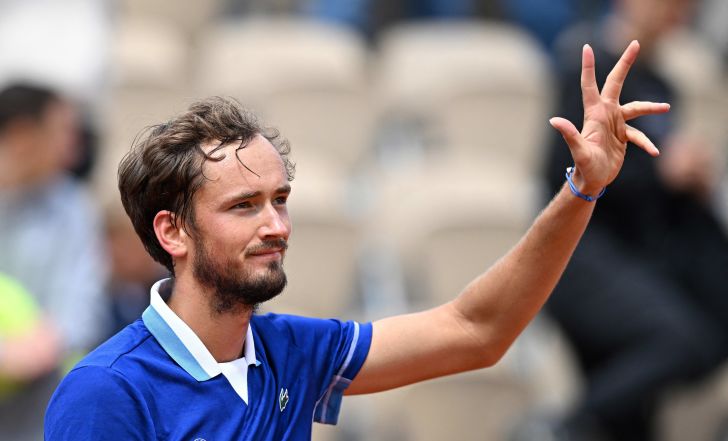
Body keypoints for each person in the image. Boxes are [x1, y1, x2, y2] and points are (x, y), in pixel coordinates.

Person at [44, 41, 668, 440]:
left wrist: (582, 189)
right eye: (244, 206)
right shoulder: (105, 391)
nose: (276, 226)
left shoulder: (291, 351)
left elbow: (479, 330)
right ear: (172, 231)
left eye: (280, 200)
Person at [542, 0, 728, 440]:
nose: (675, 14)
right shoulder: (583, 68)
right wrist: (659, 174)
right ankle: (560, 427)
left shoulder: (663, 84)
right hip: (583, 255)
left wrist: (690, 180)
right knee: (677, 338)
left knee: (696, 338)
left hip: (640, 257)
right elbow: (560, 178)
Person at [0, 83, 108, 441]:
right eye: (63, 132)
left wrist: (39, 346)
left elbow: (81, 308)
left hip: (40, 414)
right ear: (22, 135)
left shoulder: (74, 209)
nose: (74, 147)